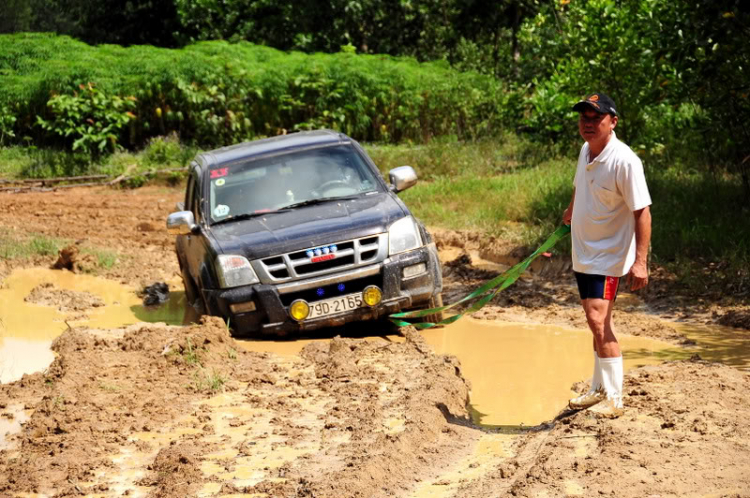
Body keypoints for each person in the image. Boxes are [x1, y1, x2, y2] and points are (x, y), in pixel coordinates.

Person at [561, 92, 652, 417]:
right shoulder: (586, 150)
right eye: (583, 117)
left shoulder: (625, 160)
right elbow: (579, 184)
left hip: (609, 255)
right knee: (594, 321)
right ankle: (598, 389)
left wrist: (640, 262)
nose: (588, 123)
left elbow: (642, 211)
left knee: (599, 320)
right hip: (584, 251)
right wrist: (572, 210)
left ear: (612, 121)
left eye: (595, 118)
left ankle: (614, 400)